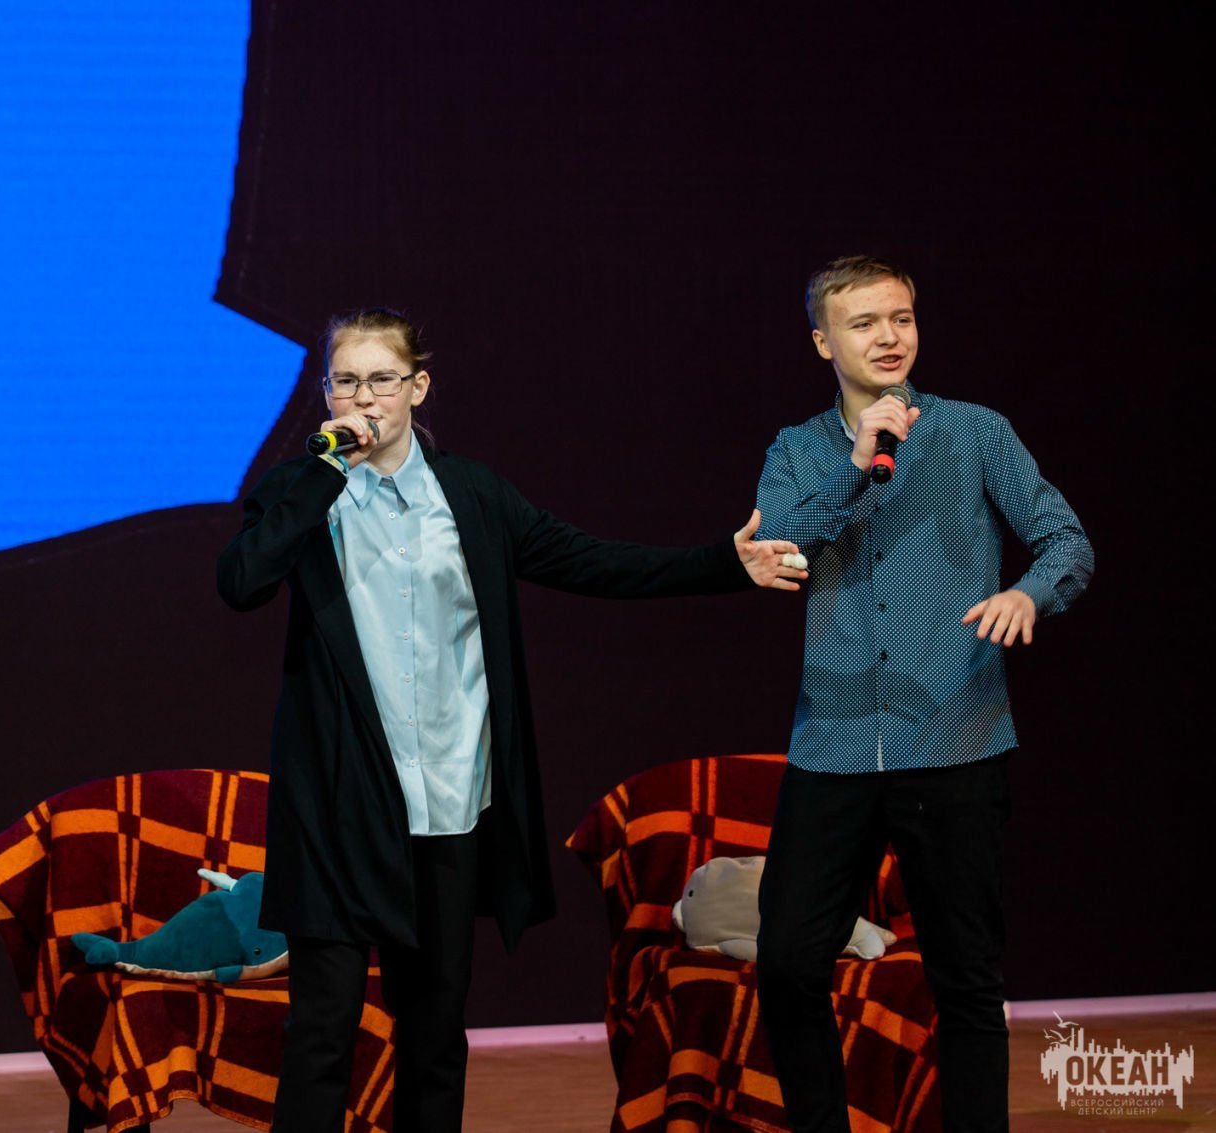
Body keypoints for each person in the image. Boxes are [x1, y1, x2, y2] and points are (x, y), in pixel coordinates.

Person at [217, 307, 808, 1132]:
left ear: (418, 387)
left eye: (382, 378)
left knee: (433, 1028)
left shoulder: (472, 495)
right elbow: (242, 581)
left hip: (449, 797)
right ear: (325, 392)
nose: (364, 397)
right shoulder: (300, 490)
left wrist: (724, 564)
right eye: (346, 381)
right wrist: (323, 473)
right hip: (338, 808)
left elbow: (592, 561)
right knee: (323, 1031)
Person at [752, 256, 1094, 1133]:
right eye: (864, 323)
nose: (889, 337)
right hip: (833, 744)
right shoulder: (795, 449)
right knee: (788, 961)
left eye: (901, 318)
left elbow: (1065, 539)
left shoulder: (975, 431)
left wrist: (1030, 593)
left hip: (954, 734)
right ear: (823, 342)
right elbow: (780, 546)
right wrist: (856, 464)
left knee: (966, 978)